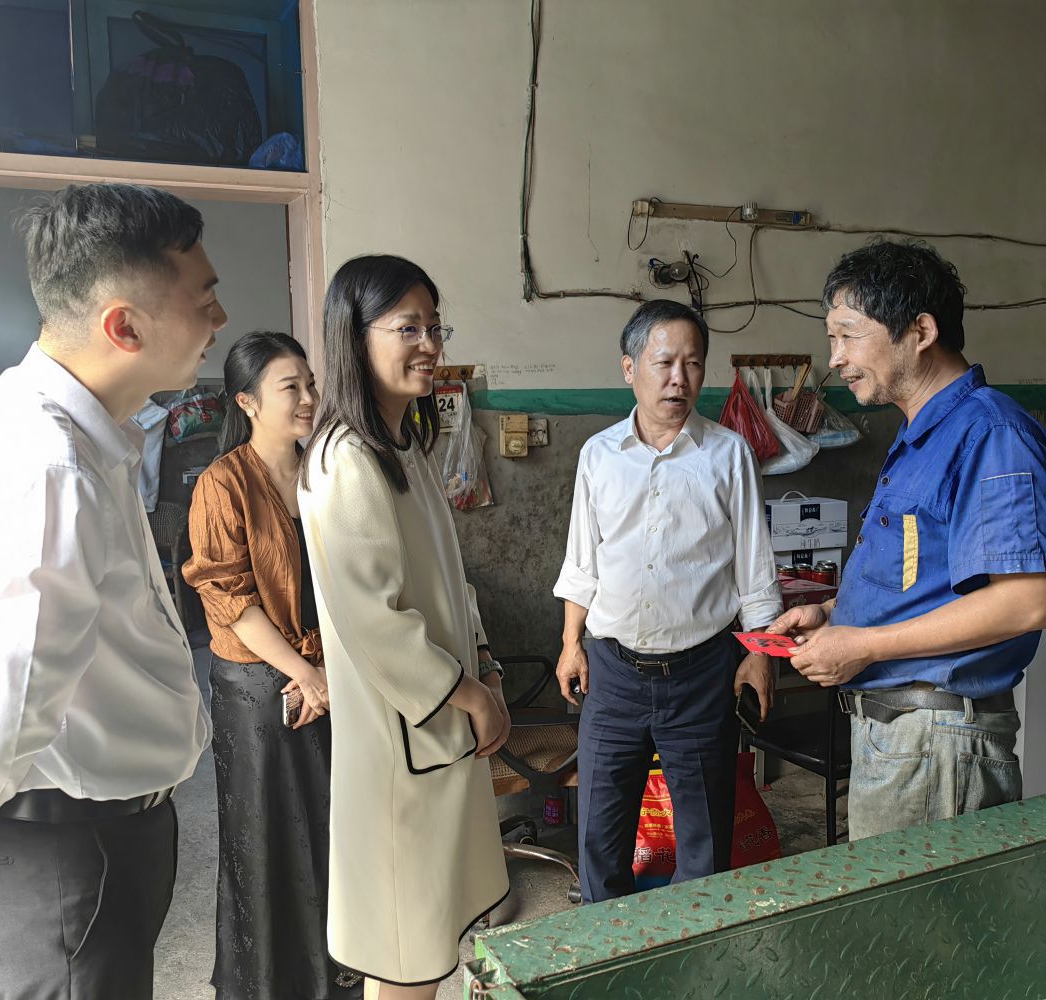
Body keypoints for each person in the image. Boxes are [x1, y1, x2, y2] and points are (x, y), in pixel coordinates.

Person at [0, 183, 222, 997]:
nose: (219, 318)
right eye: (203, 298)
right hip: (58, 858)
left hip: (100, 836)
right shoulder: (47, 461)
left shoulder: (81, 434)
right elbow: (13, 698)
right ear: (123, 326)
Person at [769, 239, 1046, 841]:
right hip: (904, 738)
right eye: (832, 339)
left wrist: (865, 644)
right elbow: (921, 576)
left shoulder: (990, 433)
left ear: (920, 331)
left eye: (849, 336)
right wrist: (833, 613)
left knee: (920, 907)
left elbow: (1026, 601)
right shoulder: (922, 435)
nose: (835, 359)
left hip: (936, 742)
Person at [297, 255, 511, 999]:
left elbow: (451, 581)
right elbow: (373, 619)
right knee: (404, 952)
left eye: (435, 327)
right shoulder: (344, 460)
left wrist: (485, 664)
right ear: (354, 338)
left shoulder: (403, 447)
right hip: (402, 744)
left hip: (437, 730)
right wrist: (467, 692)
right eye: (408, 328)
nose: (430, 344)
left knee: (428, 941)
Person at [552, 299, 781, 904]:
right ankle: (607, 948)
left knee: (705, 842)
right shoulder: (599, 455)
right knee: (599, 838)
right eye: (664, 363)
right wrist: (571, 643)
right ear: (629, 368)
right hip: (612, 674)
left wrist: (760, 655)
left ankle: (691, 948)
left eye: (693, 363)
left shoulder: (728, 455)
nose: (680, 378)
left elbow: (755, 569)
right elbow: (582, 563)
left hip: (702, 675)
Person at [184, 331, 360, 1000]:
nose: (310, 397)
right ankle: (265, 985)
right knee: (265, 841)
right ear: (248, 402)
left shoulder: (324, 472)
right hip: (260, 690)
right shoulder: (223, 484)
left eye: (311, 384)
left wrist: (328, 672)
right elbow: (231, 601)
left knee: (332, 833)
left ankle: (336, 978)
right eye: (292, 387)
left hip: (330, 676)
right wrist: (305, 674)